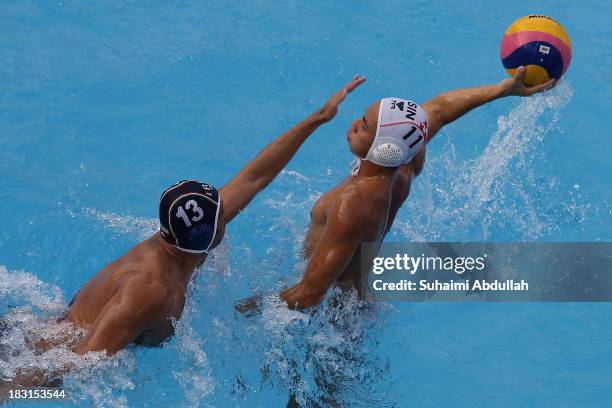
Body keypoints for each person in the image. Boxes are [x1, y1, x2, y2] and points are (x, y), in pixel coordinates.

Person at [5, 76, 366, 390]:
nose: (231, 207)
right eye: (223, 213)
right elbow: (80, 364)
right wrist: (17, 395)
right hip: (27, 359)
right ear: (212, 235)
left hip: (37, 332)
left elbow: (255, 178)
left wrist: (318, 118)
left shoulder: (178, 240)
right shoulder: (151, 290)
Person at [279, 67, 555, 309]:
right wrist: (501, 89)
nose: (353, 124)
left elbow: (310, 295)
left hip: (333, 320)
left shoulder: (354, 203)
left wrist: (249, 308)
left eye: (363, 126)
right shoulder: (403, 166)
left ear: (384, 148)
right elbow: (438, 110)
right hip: (355, 301)